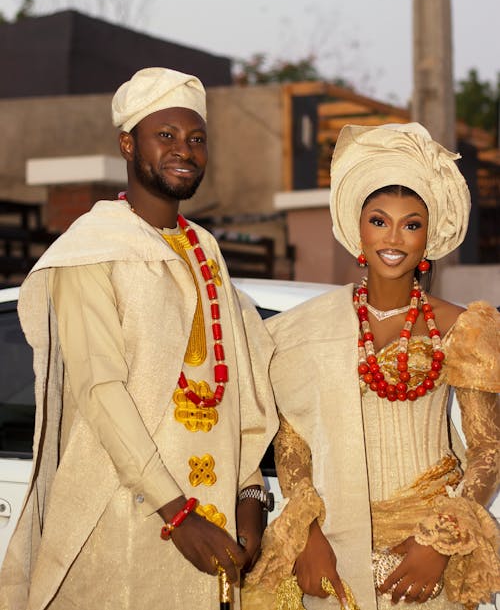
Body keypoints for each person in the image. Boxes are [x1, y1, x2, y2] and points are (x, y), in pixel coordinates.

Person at [0, 67, 278, 610]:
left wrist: (249, 491)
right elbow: (101, 391)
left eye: (197, 139)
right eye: (166, 136)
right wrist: (176, 514)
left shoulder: (204, 249)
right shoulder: (93, 250)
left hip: (213, 526)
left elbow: (237, 382)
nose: (185, 150)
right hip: (127, 515)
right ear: (128, 143)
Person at [243, 122, 500, 610]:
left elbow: (488, 448)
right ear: (358, 230)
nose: (395, 238)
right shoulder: (307, 327)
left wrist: (438, 543)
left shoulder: (464, 327)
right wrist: (308, 533)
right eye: (380, 221)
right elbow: (292, 434)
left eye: (412, 223)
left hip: (420, 556)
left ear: (429, 236)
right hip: (332, 550)